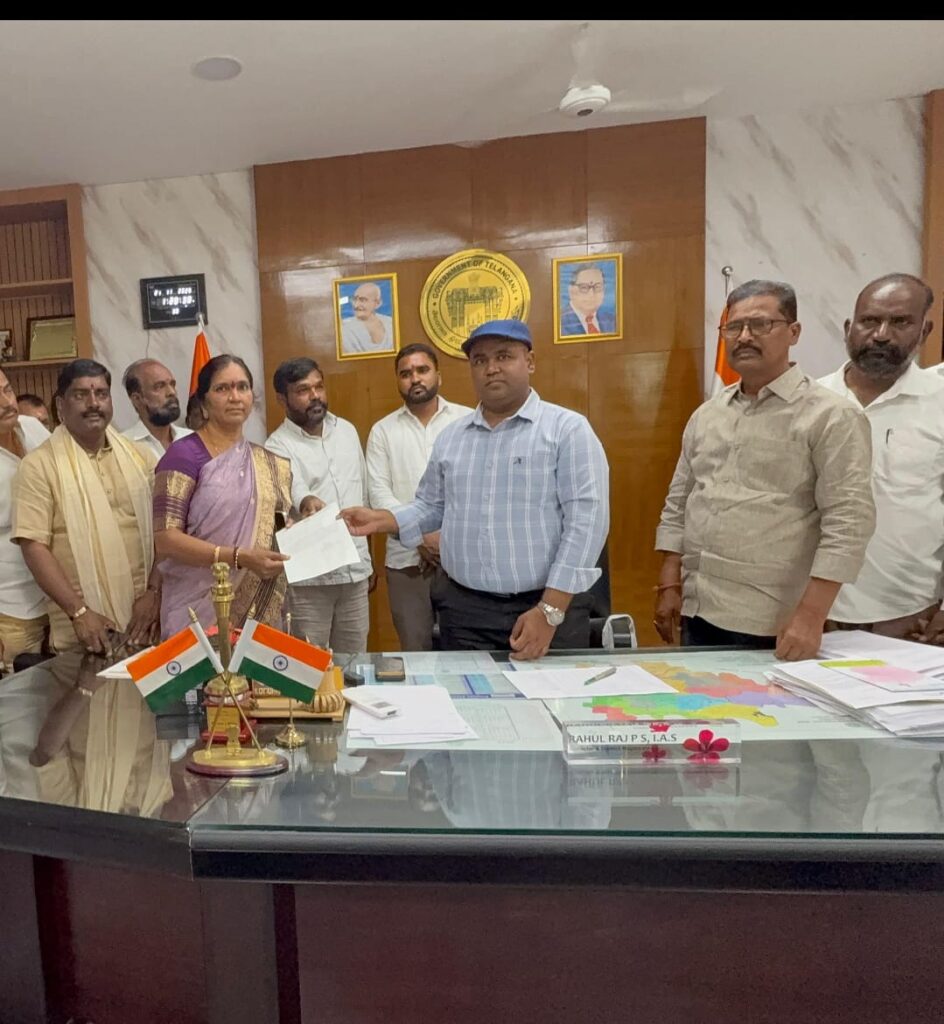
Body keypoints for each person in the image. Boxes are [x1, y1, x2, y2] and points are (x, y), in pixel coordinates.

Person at [341, 319, 609, 659]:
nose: (491, 368)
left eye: (503, 356)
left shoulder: (567, 430)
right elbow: (431, 506)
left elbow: (587, 525)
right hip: (465, 612)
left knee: (546, 695)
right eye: (480, 360)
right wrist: (381, 520)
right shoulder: (452, 438)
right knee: (468, 694)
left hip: (547, 609)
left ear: (529, 362)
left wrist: (550, 610)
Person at [654, 280, 875, 661]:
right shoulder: (707, 415)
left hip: (774, 621)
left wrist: (811, 617)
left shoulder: (831, 416)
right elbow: (680, 501)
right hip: (698, 607)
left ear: (793, 332)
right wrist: (669, 581)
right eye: (733, 327)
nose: (744, 337)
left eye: (760, 324)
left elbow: (848, 523)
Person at [819, 274, 944, 641]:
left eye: (900, 322)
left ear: (924, 331)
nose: (881, 335)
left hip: (913, 617)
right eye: (869, 321)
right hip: (815, 613)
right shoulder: (811, 401)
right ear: (849, 328)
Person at [12, 359, 160, 654]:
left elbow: (165, 532)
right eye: (80, 395)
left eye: (101, 394)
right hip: (85, 633)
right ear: (60, 405)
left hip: (147, 623)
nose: (93, 403)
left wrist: (155, 592)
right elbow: (34, 546)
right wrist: (79, 612)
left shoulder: (141, 457)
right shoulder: (39, 466)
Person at [153, 355, 291, 638]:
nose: (235, 397)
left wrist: (301, 527)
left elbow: (272, 525)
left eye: (242, 387)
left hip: (256, 602)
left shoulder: (266, 462)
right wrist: (238, 557)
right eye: (222, 388)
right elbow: (165, 539)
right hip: (195, 607)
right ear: (203, 401)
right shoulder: (182, 455)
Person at [366, 343, 472, 650]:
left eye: (422, 370)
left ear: (438, 374)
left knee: (466, 650)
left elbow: (478, 490)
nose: (415, 378)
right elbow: (379, 493)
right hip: (406, 562)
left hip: (463, 560)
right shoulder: (383, 431)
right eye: (406, 373)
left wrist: (444, 538)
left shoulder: (467, 422)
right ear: (398, 381)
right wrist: (421, 537)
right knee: (416, 652)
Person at [265, 358, 373, 652]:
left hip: (355, 570)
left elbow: (362, 496)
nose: (315, 396)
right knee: (309, 663)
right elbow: (293, 487)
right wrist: (307, 501)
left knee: (354, 661)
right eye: (303, 390)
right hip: (310, 580)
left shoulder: (346, 431)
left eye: (319, 387)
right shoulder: (277, 445)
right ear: (282, 399)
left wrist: (370, 559)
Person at [0, 369, 49, 670]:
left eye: (7, 390)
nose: (6, 402)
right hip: (10, 613)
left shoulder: (32, 428)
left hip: (57, 602)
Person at [121, 359, 192, 458]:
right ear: (137, 399)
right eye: (159, 386)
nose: (172, 392)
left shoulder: (192, 439)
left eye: (172, 384)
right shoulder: (123, 446)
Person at [559, 263, 616, 336]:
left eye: (597, 287)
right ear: (571, 291)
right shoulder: (559, 322)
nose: (591, 294)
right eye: (584, 287)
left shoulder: (612, 321)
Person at [340, 282, 395, 355]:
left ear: (377, 303)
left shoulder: (391, 323)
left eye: (363, 300)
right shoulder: (345, 327)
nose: (356, 305)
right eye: (354, 299)